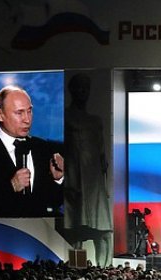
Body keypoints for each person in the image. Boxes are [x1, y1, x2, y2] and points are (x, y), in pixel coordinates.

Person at [0, 85, 64, 217]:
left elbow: (52, 203)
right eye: (19, 113)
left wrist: (58, 179)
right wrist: (11, 187)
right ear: (0, 114)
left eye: (29, 111)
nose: (27, 120)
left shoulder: (43, 149)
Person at [63, 73, 113, 267]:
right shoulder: (66, 117)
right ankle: (77, 268)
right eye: (79, 87)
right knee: (75, 230)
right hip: (74, 179)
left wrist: (104, 184)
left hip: (95, 182)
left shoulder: (95, 121)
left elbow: (101, 153)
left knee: (104, 231)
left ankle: (104, 270)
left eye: (86, 88)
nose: (83, 91)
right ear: (72, 90)